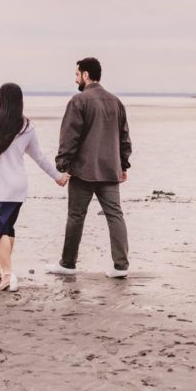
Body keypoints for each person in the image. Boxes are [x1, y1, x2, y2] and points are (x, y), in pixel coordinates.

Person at [0, 83, 68, 292]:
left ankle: (7, 275)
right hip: (17, 187)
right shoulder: (27, 126)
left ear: (0, 100)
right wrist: (58, 177)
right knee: (7, 228)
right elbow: (39, 157)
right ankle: (2, 267)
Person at [45, 57, 132, 279]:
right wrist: (123, 165)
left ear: (86, 75)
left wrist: (62, 166)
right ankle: (121, 266)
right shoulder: (115, 102)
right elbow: (124, 138)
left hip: (83, 171)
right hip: (110, 170)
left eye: (77, 74)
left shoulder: (79, 101)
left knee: (76, 216)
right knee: (115, 215)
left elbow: (69, 137)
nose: (75, 79)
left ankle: (68, 263)